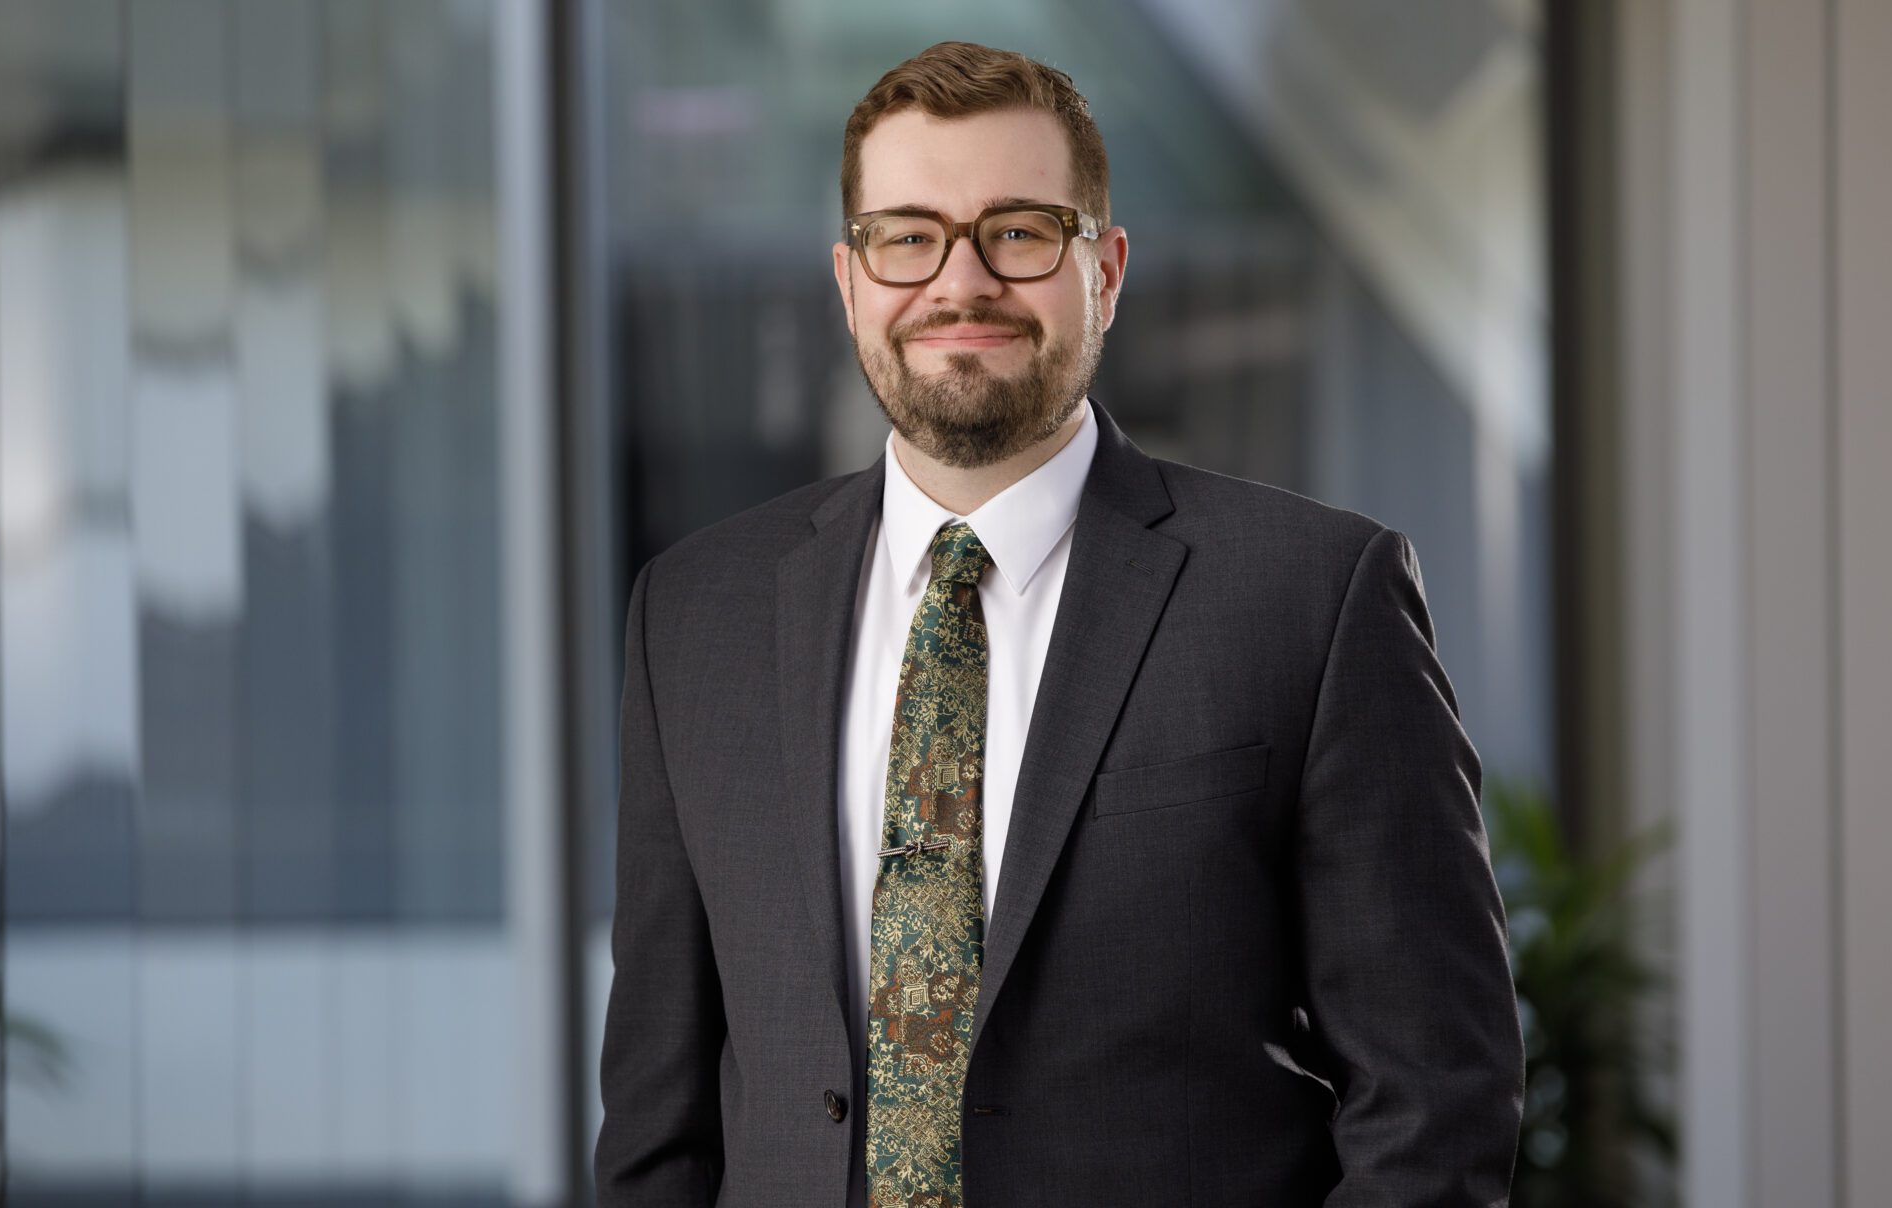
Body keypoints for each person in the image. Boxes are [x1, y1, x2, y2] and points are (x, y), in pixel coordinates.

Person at [595, 40, 1523, 1208]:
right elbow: (655, 1121)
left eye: (1020, 230)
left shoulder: (1311, 596)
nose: (960, 280)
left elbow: (1435, 1095)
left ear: (1106, 270)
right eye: (908, 235)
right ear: (849, 279)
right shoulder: (696, 615)